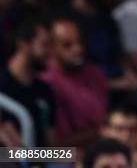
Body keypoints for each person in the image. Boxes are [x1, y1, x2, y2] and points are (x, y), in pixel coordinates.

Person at [41, 17, 108, 147]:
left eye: (79, 42)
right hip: (61, 157)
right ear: (51, 48)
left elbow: (103, 119)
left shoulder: (95, 73)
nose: (77, 49)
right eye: (67, 45)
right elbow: (55, 145)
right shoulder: (45, 83)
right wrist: (100, 132)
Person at [0, 16, 56, 146]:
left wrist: (68, 155)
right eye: (45, 45)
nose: (51, 53)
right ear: (23, 45)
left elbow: (51, 142)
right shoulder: (2, 86)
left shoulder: (44, 90)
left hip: (40, 161)